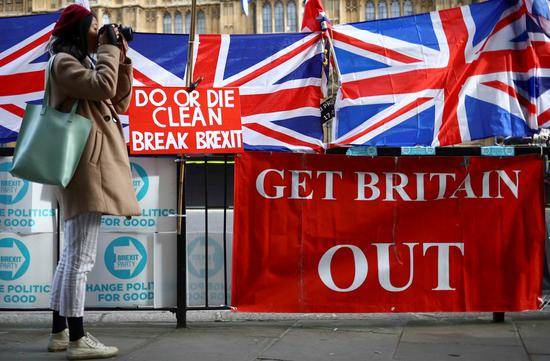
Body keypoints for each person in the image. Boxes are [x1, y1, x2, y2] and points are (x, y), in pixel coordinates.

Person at [45, 4, 140, 360]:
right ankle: (78, 339)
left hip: (88, 165)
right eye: (96, 25)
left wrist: (122, 56)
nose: (100, 31)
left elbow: (119, 100)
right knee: (80, 258)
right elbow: (102, 88)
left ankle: (59, 331)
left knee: (71, 255)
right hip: (85, 168)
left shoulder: (85, 62)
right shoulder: (63, 63)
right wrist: (108, 50)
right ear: (80, 28)